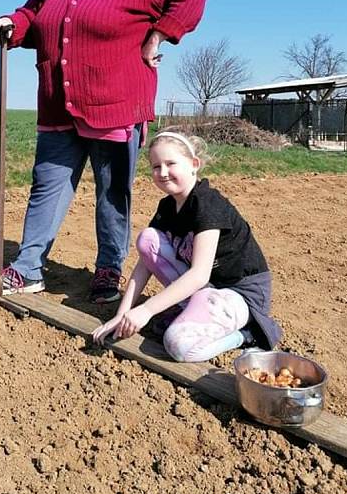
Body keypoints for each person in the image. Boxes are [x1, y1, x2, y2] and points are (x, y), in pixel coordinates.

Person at [0, 0, 206, 303]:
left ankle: (108, 270)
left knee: (111, 193)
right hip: (57, 105)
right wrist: (11, 23)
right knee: (46, 187)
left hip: (114, 106)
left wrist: (158, 35)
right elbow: (31, 15)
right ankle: (28, 268)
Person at [92, 131, 282, 360]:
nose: (162, 173)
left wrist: (147, 309)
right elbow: (145, 263)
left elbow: (199, 275)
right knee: (148, 239)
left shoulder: (207, 204)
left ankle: (245, 334)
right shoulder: (167, 206)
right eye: (155, 166)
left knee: (179, 345)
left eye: (170, 163)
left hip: (239, 295)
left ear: (194, 164)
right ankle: (190, 309)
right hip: (208, 288)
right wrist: (122, 314)